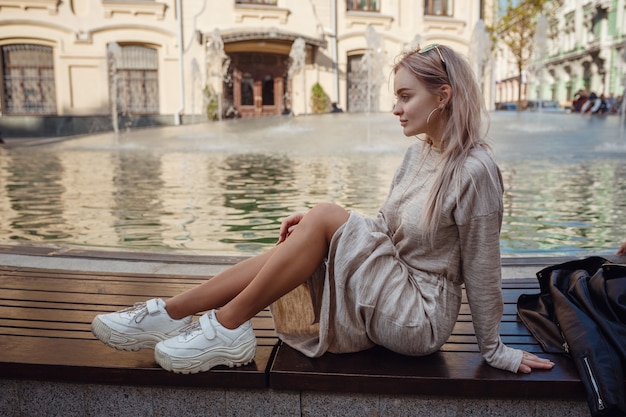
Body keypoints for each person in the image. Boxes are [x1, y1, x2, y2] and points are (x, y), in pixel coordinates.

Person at [91, 44, 555, 375]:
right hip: (390, 288)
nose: (394, 108)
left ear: (444, 96)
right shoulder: (420, 152)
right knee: (310, 229)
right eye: (395, 95)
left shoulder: (476, 171)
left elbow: (482, 266)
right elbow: (384, 229)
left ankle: (227, 326)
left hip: (420, 315)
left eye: (405, 95)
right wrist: (320, 228)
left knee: (326, 215)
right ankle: (172, 313)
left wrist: (496, 350)